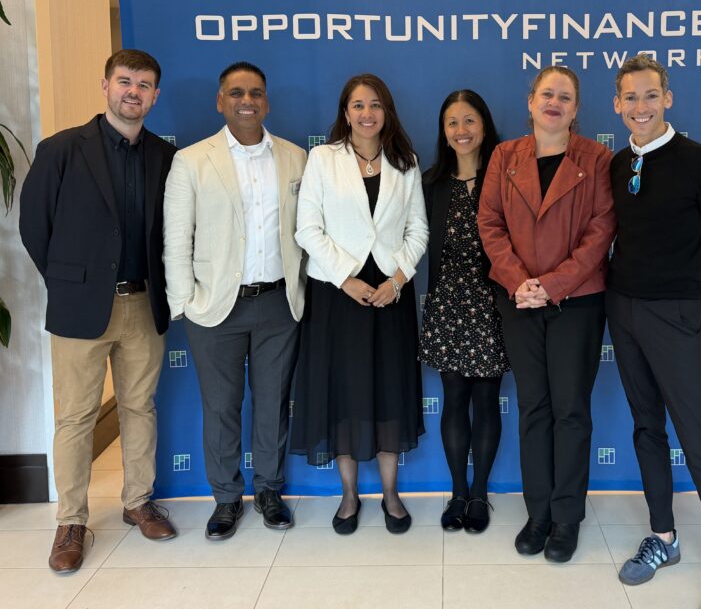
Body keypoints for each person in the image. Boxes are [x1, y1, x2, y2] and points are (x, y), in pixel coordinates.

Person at [19, 49, 178, 573]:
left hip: (143, 302)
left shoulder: (164, 156)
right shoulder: (63, 149)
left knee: (139, 409)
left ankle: (137, 502)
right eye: (125, 81)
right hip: (81, 305)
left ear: (156, 95)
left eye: (145, 85)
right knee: (76, 417)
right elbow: (35, 227)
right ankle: (71, 522)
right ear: (105, 85)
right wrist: (72, 283)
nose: (134, 92)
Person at [608, 55, 701, 609]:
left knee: (698, 440)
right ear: (617, 105)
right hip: (623, 309)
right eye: (630, 98)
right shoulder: (619, 164)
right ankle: (663, 537)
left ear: (668, 98)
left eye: (650, 95)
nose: (640, 107)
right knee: (647, 428)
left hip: (677, 313)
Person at [162, 61, 306, 539]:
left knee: (272, 402)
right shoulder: (191, 160)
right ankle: (225, 498)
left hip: (278, 304)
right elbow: (176, 237)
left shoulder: (294, 158)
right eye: (237, 92)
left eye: (257, 93)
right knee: (221, 406)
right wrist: (185, 302)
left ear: (267, 101)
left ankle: (269, 490)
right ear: (219, 100)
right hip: (215, 306)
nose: (248, 101)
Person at [478, 65, 615, 562]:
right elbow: (489, 223)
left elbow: (601, 230)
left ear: (576, 109)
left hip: (576, 302)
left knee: (570, 410)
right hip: (518, 302)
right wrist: (521, 283)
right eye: (546, 94)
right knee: (534, 407)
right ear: (530, 101)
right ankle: (538, 513)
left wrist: (552, 285)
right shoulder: (503, 156)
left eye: (565, 96)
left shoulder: (597, 158)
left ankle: (567, 517)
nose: (554, 102)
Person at [290, 73, 429, 535]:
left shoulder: (405, 162)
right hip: (338, 295)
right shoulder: (323, 159)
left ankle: (390, 494)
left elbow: (418, 231)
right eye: (357, 105)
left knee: (390, 389)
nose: (367, 113)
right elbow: (307, 229)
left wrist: (398, 278)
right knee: (343, 391)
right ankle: (349, 495)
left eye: (375, 105)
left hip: (390, 295)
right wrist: (344, 278)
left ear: (387, 111)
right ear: (345, 112)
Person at [420, 89, 509, 534]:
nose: (461, 131)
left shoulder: (506, 176)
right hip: (447, 304)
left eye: (469, 120)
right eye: (452, 122)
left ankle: (480, 494)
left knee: (486, 400)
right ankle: (457, 492)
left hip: (493, 304)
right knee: (454, 399)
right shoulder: (431, 183)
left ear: (485, 125)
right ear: (444, 130)